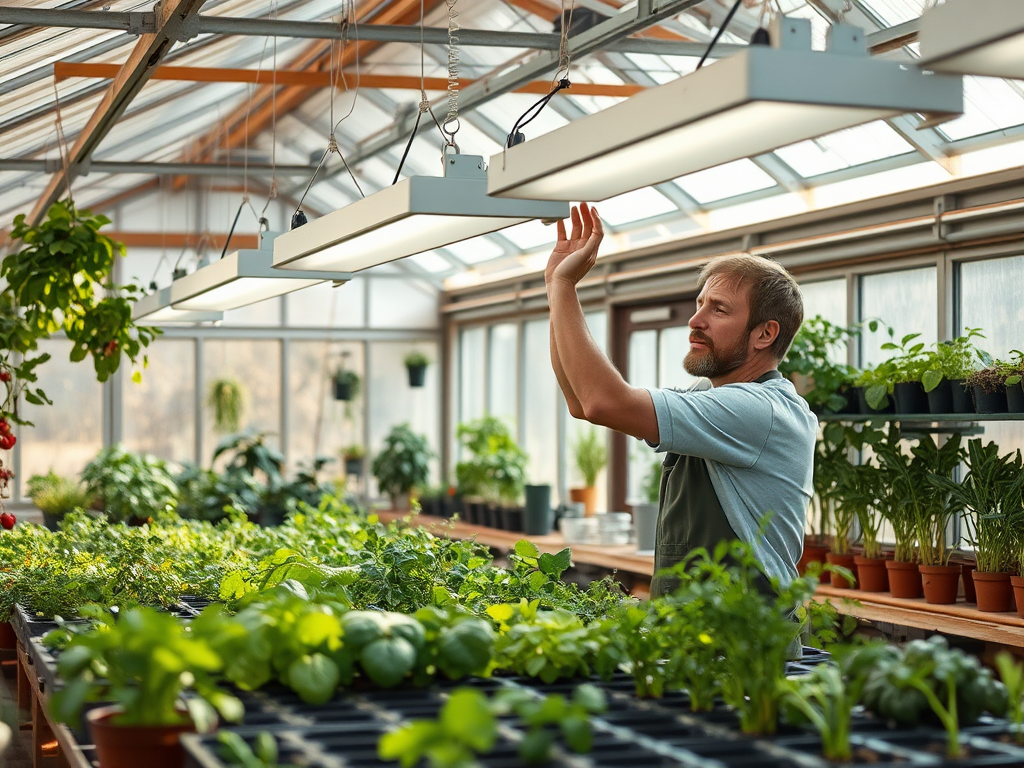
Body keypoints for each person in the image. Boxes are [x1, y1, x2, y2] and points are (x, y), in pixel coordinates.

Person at [546, 202, 816, 598]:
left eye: (718, 309)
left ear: (764, 334)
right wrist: (556, 287)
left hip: (745, 638)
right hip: (694, 630)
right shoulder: (711, 396)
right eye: (699, 304)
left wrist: (564, 289)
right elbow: (581, 401)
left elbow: (604, 401)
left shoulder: (762, 410)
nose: (695, 320)